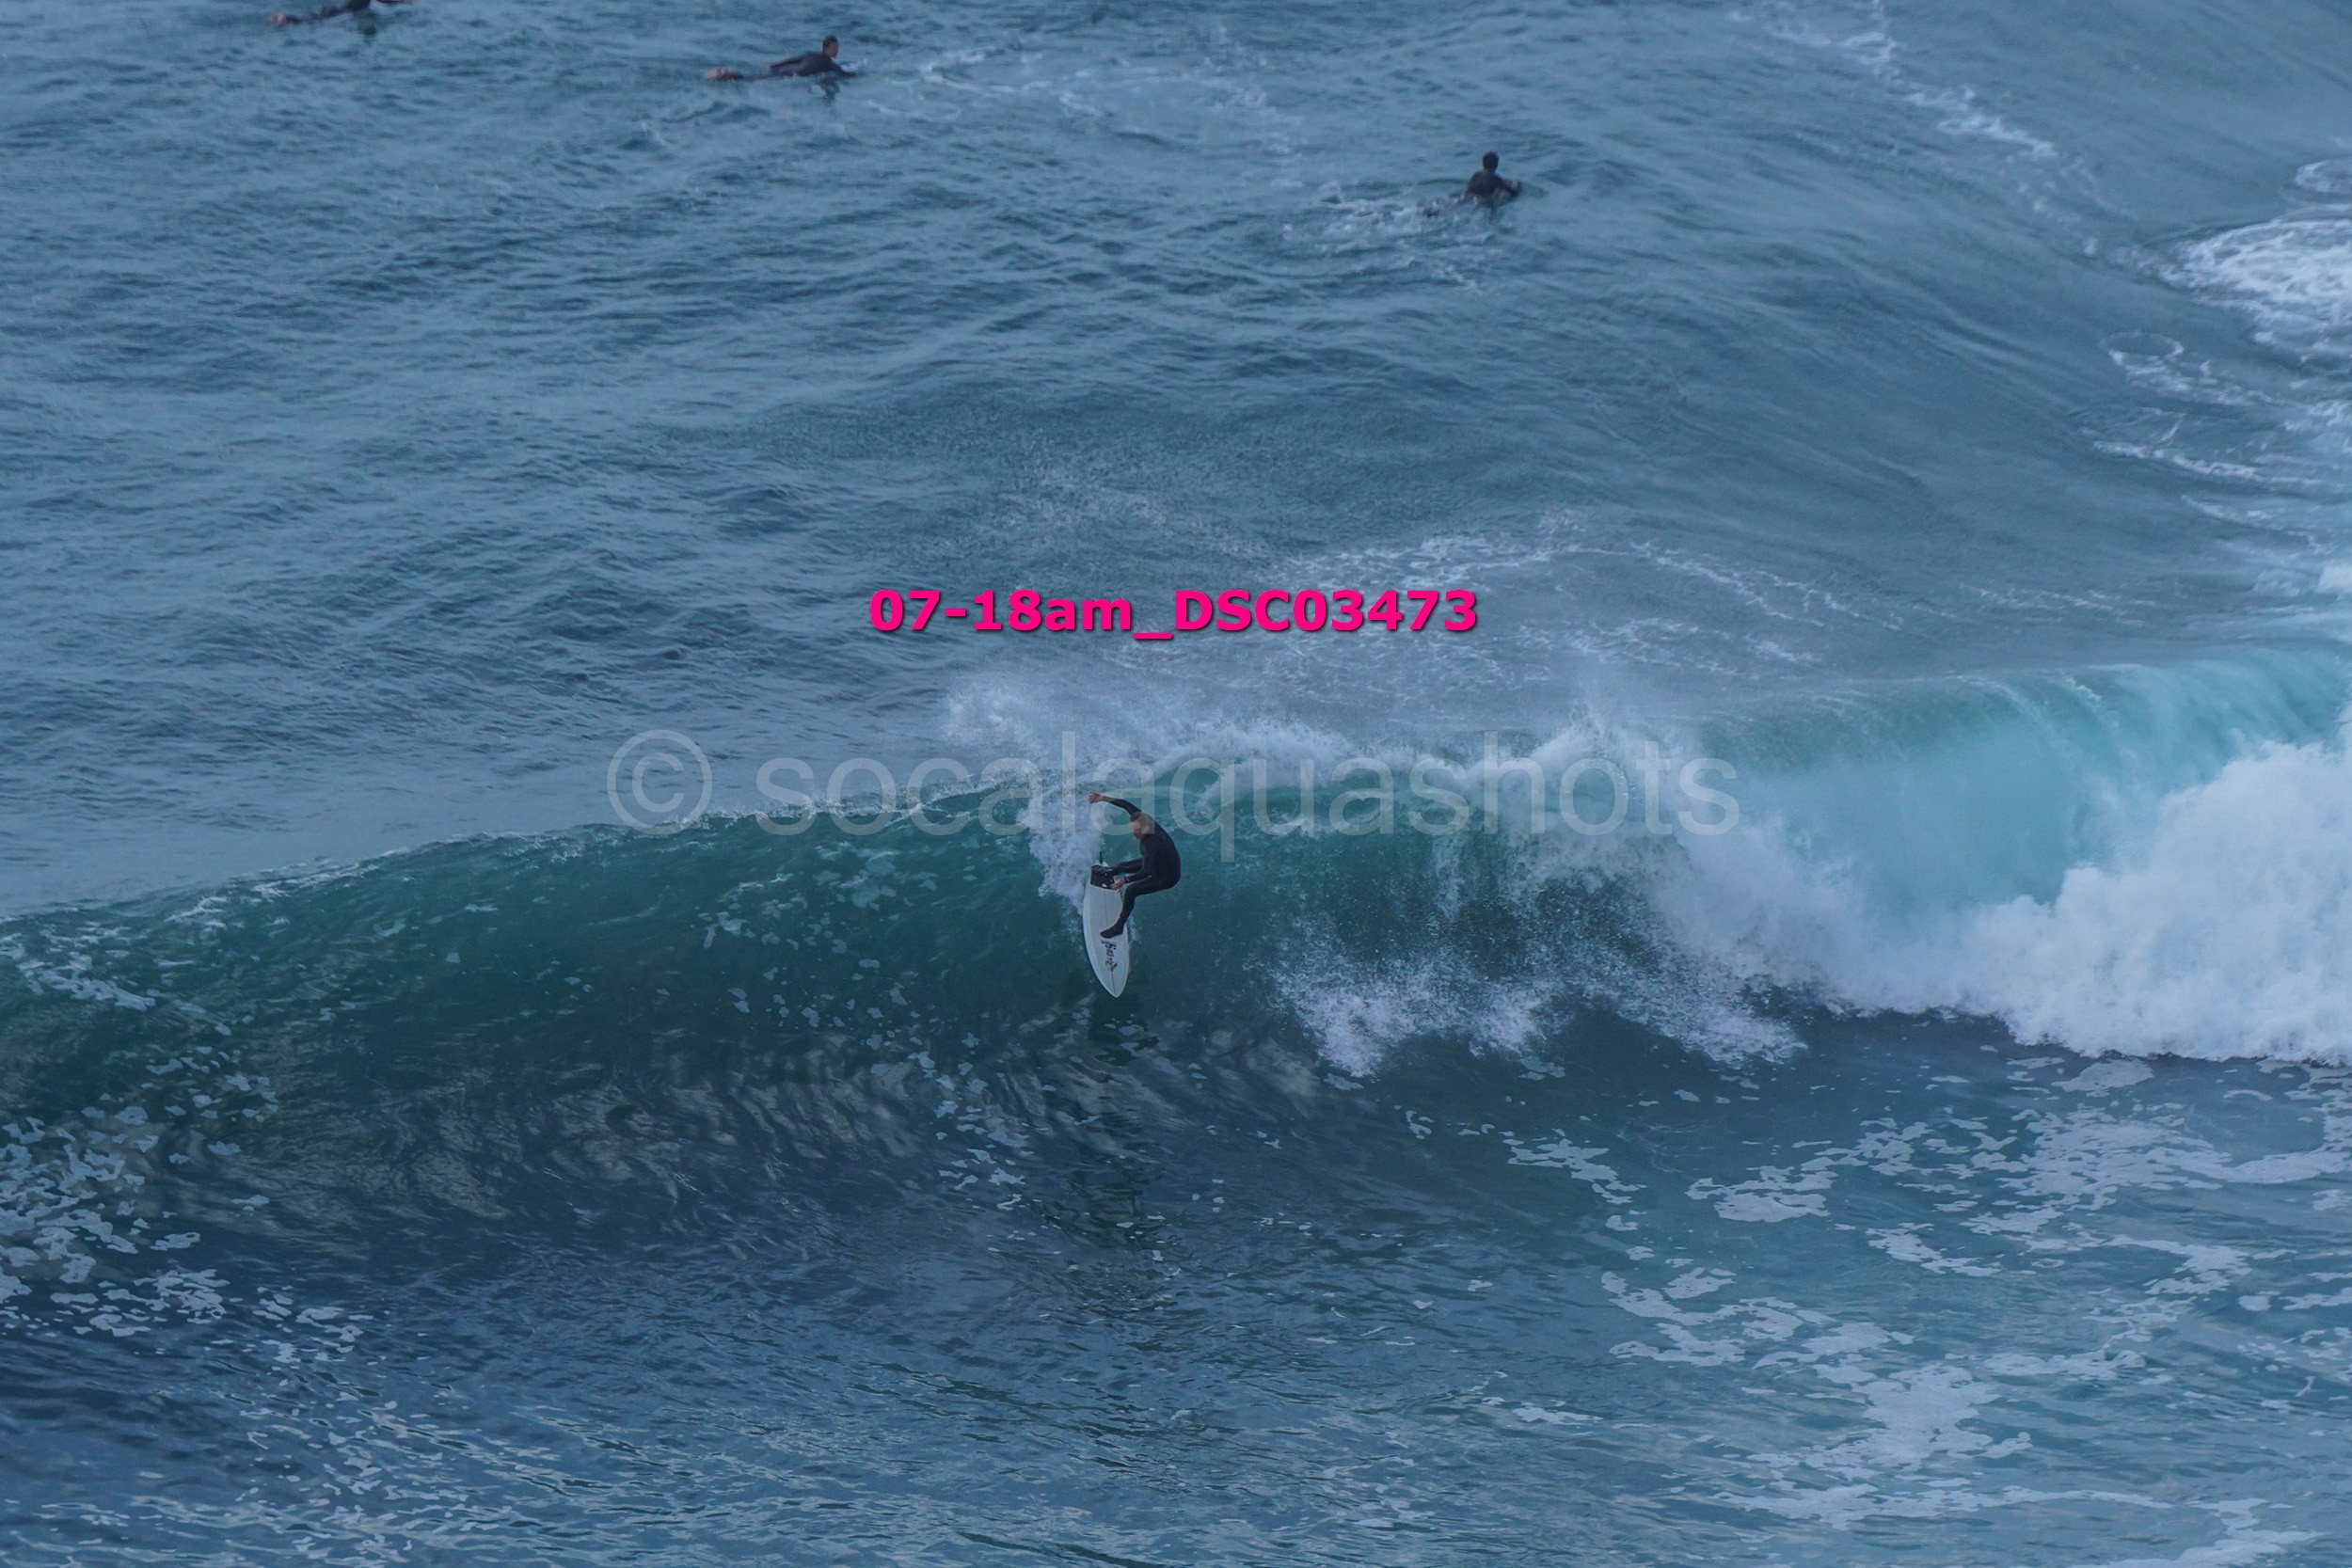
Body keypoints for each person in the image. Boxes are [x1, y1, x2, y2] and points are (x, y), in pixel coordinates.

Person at [1087, 792, 1181, 940]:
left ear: (1144, 829)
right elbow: (1125, 804)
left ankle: (1118, 928)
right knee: (1124, 865)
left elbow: (1147, 871)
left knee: (1131, 891)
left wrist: (1125, 880)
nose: (1133, 834)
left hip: (1166, 875)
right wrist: (1102, 798)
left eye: (1135, 831)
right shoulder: (1144, 820)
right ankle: (1109, 873)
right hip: (1159, 861)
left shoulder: (1151, 845)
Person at [707, 35, 853, 81]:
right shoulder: (828, 63)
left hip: (785, 69)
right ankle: (727, 75)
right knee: (754, 79)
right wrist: (859, 75)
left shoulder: (811, 54)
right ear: (827, 48)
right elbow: (843, 73)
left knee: (755, 77)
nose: (837, 51)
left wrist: (774, 65)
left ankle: (728, 73)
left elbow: (792, 60)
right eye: (835, 48)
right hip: (791, 75)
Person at [270, 0, 407, 24]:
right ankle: (286, 19)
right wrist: (401, 1)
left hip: (335, 9)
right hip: (339, 13)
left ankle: (285, 18)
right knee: (315, 22)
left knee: (315, 19)